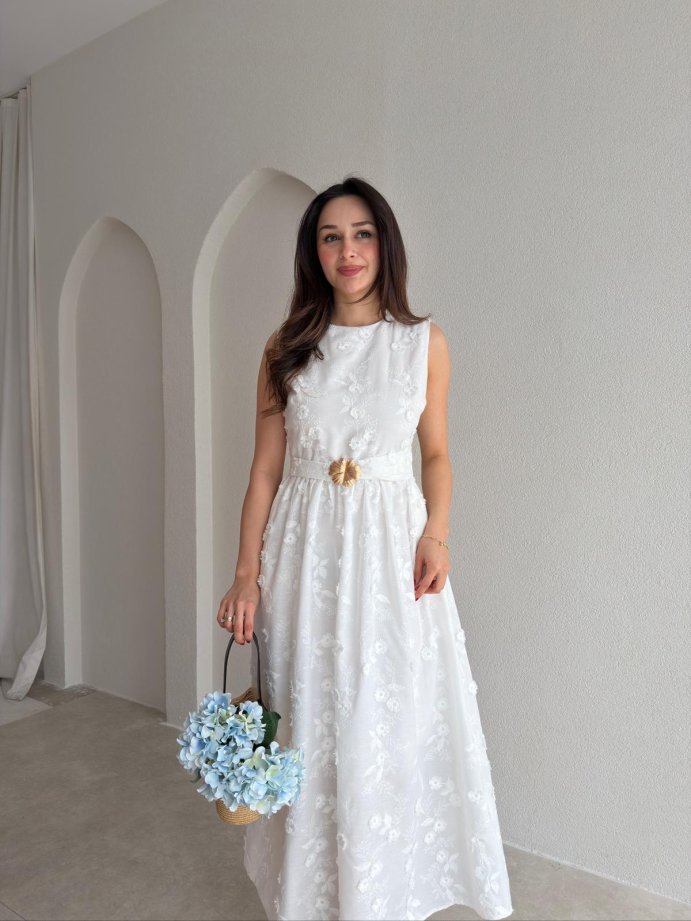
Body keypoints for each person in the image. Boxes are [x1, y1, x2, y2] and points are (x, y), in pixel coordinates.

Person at [216, 176, 513, 921]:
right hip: (302, 560)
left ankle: (379, 893)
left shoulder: (422, 344)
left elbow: (436, 454)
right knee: (307, 719)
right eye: (330, 237)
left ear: (384, 244)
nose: (347, 251)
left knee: (384, 722)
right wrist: (246, 574)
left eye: (361, 234)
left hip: (389, 559)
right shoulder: (284, 348)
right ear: (313, 253)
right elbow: (263, 472)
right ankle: (312, 897)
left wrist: (436, 533)